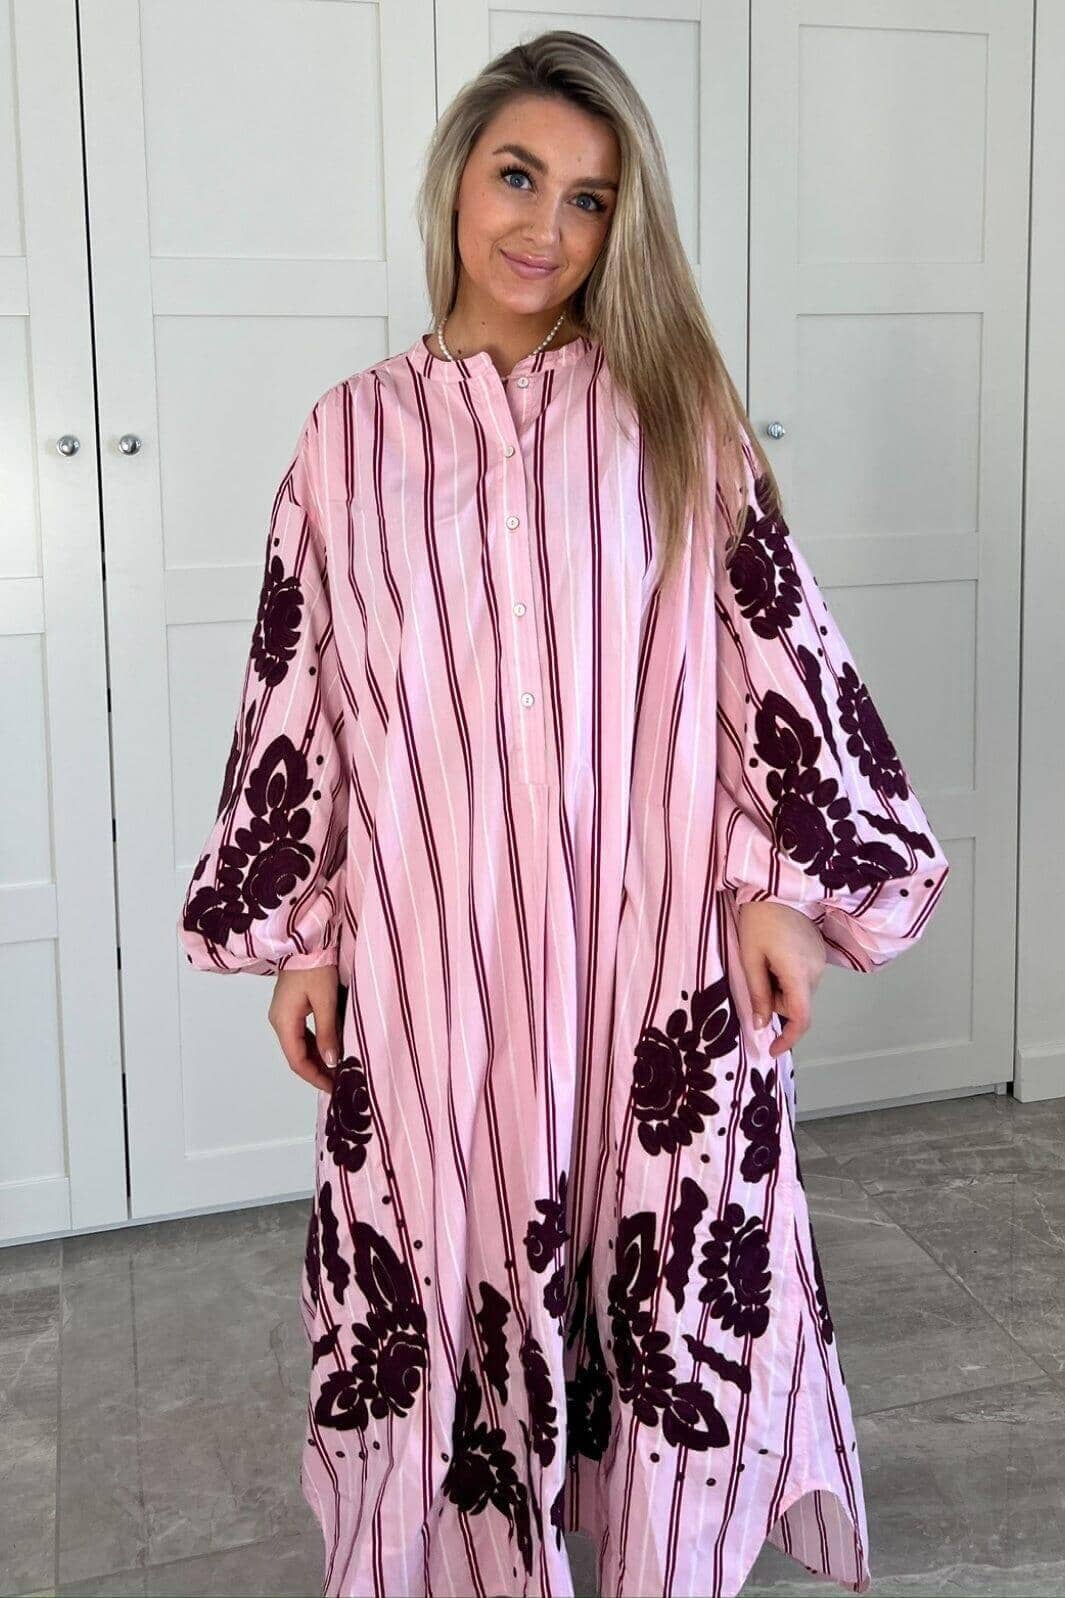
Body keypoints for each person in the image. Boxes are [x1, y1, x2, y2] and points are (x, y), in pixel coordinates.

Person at [178, 29, 950, 1598]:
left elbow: (767, 652)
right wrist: (304, 937)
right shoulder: (348, 436)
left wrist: (776, 887)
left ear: (619, 226)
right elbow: (303, 690)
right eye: (517, 176)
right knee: (444, 1250)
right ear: (456, 180)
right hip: (437, 955)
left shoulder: (672, 411)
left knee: (659, 1264)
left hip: (649, 946)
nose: (544, 226)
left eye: (588, 200)